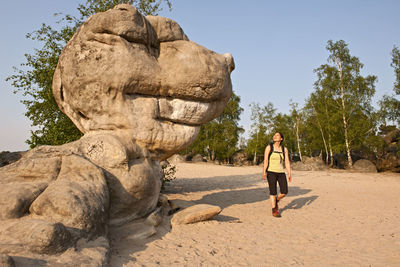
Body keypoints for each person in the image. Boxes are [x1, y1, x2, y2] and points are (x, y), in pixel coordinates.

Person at [262, 132, 292, 217]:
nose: (275, 136)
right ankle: (274, 210)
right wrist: (264, 171)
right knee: (273, 191)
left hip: (281, 172)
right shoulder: (269, 147)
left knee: (284, 191)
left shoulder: (284, 149)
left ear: (281, 138)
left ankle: (276, 200)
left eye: (277, 135)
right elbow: (266, 160)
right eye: (274, 135)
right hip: (271, 172)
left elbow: (286, 162)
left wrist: (289, 173)